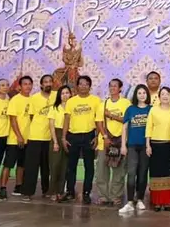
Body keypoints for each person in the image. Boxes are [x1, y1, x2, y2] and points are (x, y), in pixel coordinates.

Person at [62, 75, 105, 204]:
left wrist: (97, 136)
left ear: (90, 86)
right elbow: (67, 120)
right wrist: (63, 137)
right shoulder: (71, 101)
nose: (83, 86)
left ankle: (86, 192)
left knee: (89, 166)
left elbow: (99, 121)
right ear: (77, 86)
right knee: (71, 166)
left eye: (86, 84)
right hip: (73, 136)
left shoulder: (96, 100)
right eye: (81, 84)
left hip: (89, 136)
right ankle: (70, 192)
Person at [96, 78, 130, 206]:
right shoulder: (103, 104)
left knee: (119, 171)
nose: (112, 88)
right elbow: (99, 122)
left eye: (115, 86)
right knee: (101, 171)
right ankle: (103, 196)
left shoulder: (126, 103)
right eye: (110, 86)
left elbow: (126, 120)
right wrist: (105, 137)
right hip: (105, 141)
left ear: (120, 88)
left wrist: (111, 115)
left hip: (121, 141)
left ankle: (116, 196)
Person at [22, 74, 55, 201]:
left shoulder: (56, 96)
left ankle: (46, 190)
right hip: (35, 137)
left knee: (46, 167)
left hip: (50, 138)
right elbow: (31, 116)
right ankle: (27, 192)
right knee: (31, 166)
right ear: (41, 85)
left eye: (50, 81)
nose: (48, 84)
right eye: (45, 82)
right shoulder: (34, 98)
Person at [120, 84, 152, 213]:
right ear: (136, 95)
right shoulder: (130, 109)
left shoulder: (151, 109)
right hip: (132, 146)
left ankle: (139, 200)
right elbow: (124, 128)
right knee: (131, 173)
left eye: (144, 93)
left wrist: (149, 145)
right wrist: (123, 145)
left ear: (147, 95)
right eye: (139, 93)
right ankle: (129, 202)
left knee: (143, 174)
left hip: (145, 146)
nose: (142, 95)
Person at [1, 75, 32, 199]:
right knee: (8, 164)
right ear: (20, 86)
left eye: (30, 84)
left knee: (22, 165)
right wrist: (19, 136)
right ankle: (3, 188)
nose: (28, 86)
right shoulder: (15, 100)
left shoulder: (32, 100)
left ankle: (18, 186)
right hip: (14, 139)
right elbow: (13, 120)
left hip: (28, 139)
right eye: (25, 84)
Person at [146, 86, 170, 211]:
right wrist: (148, 145)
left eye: (167, 94)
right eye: (162, 94)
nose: (165, 96)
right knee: (156, 173)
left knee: (169, 173)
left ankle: (168, 202)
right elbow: (148, 128)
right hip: (156, 145)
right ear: (159, 97)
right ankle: (157, 202)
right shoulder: (153, 110)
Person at [48, 85, 72, 202]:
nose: (65, 95)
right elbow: (51, 126)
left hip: (69, 135)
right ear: (59, 95)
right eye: (62, 93)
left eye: (67, 93)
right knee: (55, 165)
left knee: (65, 166)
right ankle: (53, 191)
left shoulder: (72, 107)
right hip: (57, 135)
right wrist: (56, 142)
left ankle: (61, 191)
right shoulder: (55, 108)